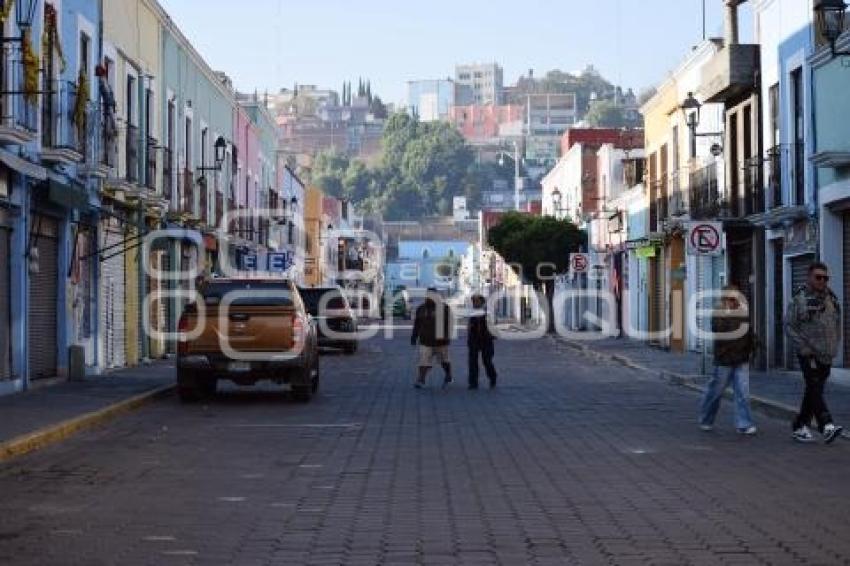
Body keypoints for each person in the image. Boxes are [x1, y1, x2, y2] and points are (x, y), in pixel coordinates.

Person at [786, 262, 844, 444]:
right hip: (808, 352)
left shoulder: (831, 298)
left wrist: (835, 346)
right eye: (818, 277)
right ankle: (826, 425)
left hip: (827, 354)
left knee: (814, 390)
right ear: (809, 277)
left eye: (825, 278)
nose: (822, 281)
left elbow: (836, 324)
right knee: (814, 387)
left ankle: (799, 426)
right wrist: (803, 348)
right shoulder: (800, 299)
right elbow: (789, 326)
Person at [698, 286, 757, 435]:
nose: (733, 301)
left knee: (743, 392)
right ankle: (706, 419)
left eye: (735, 298)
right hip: (724, 359)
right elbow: (718, 330)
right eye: (729, 298)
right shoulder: (718, 312)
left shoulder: (743, 312)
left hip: (741, 357)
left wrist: (752, 347)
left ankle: (744, 423)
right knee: (716, 392)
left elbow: (748, 331)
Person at [411, 289, 454, 389]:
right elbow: (417, 324)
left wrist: (447, 337)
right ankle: (421, 379)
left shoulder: (444, 308)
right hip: (425, 340)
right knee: (423, 361)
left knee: (444, 361)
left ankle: (448, 375)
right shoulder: (421, 309)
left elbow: (450, 324)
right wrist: (414, 336)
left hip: (441, 341)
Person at [467, 294, 497, 390]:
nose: (474, 303)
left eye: (476, 301)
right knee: (472, 362)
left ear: (482, 302)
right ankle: (473, 383)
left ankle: (493, 377)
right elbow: (469, 327)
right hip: (474, 341)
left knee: (487, 361)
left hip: (486, 340)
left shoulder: (488, 313)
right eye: (473, 301)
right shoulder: (472, 313)